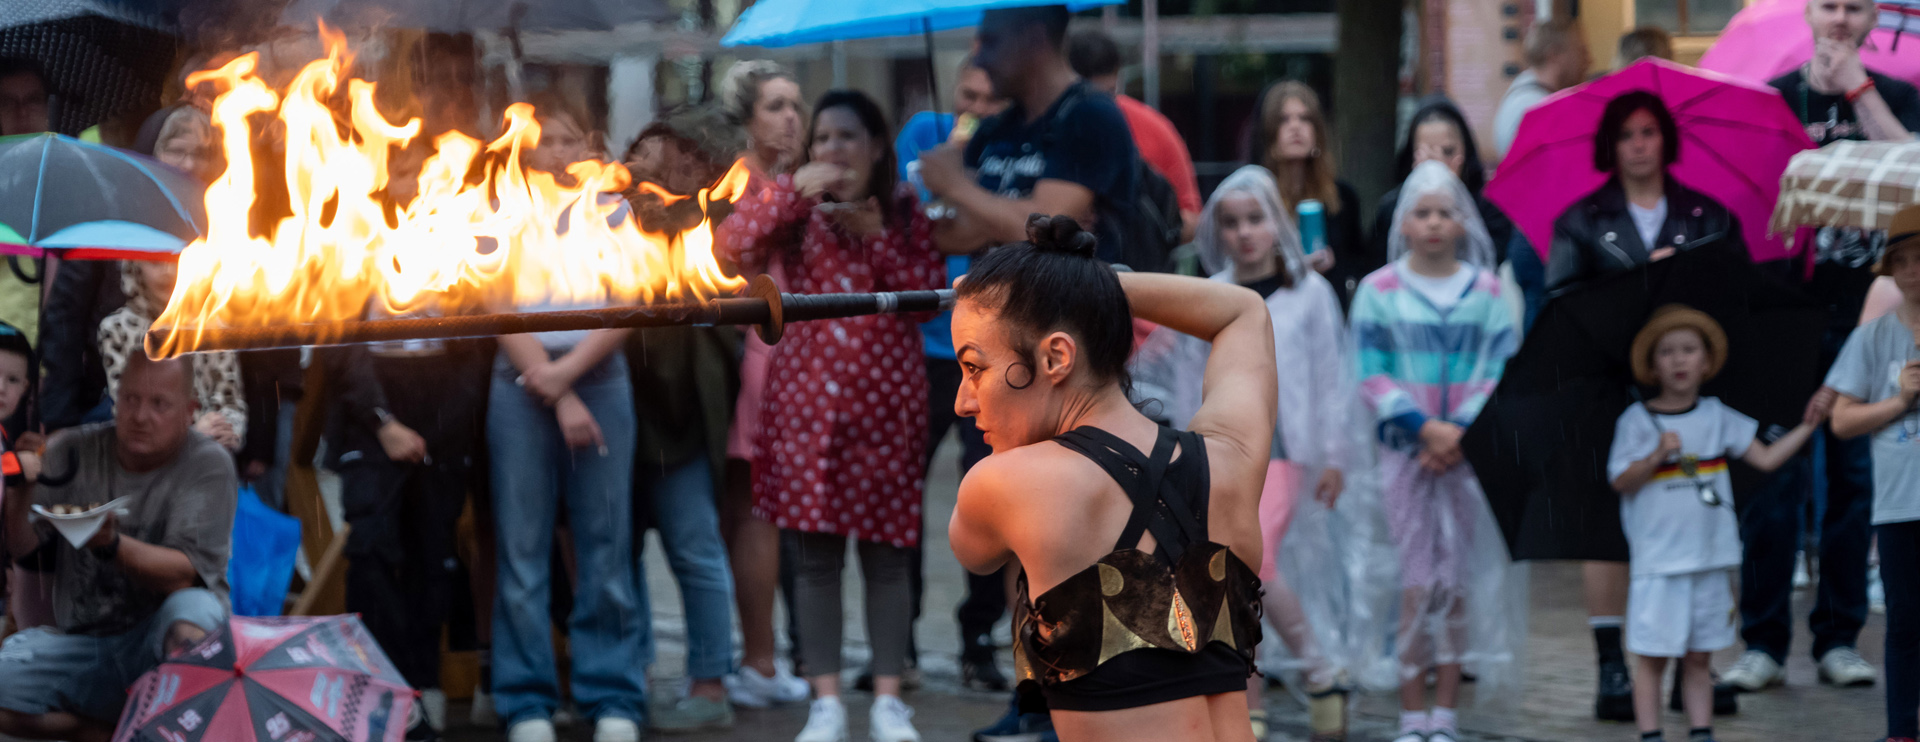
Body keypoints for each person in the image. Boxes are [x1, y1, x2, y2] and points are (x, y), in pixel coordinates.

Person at [946, 214, 1271, 742]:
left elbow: (975, 553)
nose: (963, 400)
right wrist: (1078, 285)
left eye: (975, 367)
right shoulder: (1231, 457)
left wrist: (1065, 285)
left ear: (1056, 356)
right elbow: (1242, 311)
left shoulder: (1003, 484)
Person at [717, 89, 948, 742]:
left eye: (847, 137)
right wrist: (791, 191)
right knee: (814, 556)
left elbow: (929, 300)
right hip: (805, 411)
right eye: (821, 139)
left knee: (888, 554)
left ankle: (886, 699)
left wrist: (878, 240)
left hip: (888, 408)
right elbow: (730, 247)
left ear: (877, 147)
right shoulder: (793, 210)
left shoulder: (905, 213)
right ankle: (824, 702)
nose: (832, 150)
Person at [1721, 0, 1920, 696]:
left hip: (1865, 312)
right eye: (1829, 5)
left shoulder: (1895, 95)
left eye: (1854, 8)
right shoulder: (1776, 99)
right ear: (1809, 14)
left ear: (1872, 21)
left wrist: (1860, 88)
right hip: (1783, 315)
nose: (1839, 19)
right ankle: (1764, 643)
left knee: (1854, 481)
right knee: (1775, 484)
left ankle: (1838, 636)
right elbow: (1747, 197)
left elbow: (1913, 168)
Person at [488, 101, 646, 742]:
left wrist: (570, 377)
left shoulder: (612, 208)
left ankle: (613, 695)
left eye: (564, 139)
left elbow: (629, 301)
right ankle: (526, 700)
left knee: (606, 543)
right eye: (542, 141)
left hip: (598, 375)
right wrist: (551, 388)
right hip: (522, 376)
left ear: (586, 145)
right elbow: (495, 303)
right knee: (521, 547)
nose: (553, 151)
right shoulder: (502, 207)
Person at [1352, 161, 1523, 742]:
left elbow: (1501, 368)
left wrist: (1459, 433)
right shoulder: (1378, 292)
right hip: (1405, 453)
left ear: (1462, 221)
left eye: (1444, 212)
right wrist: (1424, 429)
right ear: (1403, 221)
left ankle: (1445, 713)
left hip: (1466, 458)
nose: (1432, 222)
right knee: (1416, 581)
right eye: (1420, 211)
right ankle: (1410, 713)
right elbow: (1370, 373)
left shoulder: (1487, 291)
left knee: (1454, 584)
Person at [1193, 166, 1354, 741]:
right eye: (1231, 223)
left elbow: (1333, 374)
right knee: (1230, 569)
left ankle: (1316, 665)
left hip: (1287, 446)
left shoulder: (1307, 292)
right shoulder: (1213, 291)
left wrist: (1335, 454)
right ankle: (1252, 696)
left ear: (1277, 222)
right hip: (1225, 448)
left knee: (1251, 563)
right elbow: (1192, 368)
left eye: (1256, 219)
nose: (1245, 234)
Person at [1608, 306, 1819, 742]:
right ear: (1651, 365)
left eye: (1689, 350)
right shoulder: (1636, 422)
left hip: (1710, 558)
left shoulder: (1718, 414)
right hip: (1659, 565)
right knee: (1652, 658)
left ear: (1706, 361)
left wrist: (1810, 425)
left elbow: (1765, 457)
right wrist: (1654, 457)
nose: (1679, 360)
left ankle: (1701, 731)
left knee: (1699, 657)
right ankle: (1652, 734)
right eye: (1667, 352)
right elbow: (1621, 481)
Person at [0, 352, 236, 742]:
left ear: (190, 411)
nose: (141, 416)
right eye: (130, 400)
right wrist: (21, 492)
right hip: (85, 641)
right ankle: (108, 732)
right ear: (116, 397)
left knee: (195, 612)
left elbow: (184, 573)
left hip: (158, 639)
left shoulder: (208, 464)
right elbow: (28, 551)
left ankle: (181, 728)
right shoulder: (71, 449)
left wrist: (110, 544)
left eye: (159, 404)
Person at [616, 103, 745, 735]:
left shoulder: (713, 221)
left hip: (683, 417)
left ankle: (710, 680)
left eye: (658, 150)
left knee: (695, 549)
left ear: (694, 161)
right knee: (619, 553)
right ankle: (630, 674)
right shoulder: (611, 217)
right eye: (639, 149)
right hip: (617, 409)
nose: (640, 161)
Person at [892, 56, 1012, 693]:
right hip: (919, 349)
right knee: (898, 496)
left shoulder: (1012, 151)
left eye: (990, 101)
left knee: (989, 497)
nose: (977, 108)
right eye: (969, 95)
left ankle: (979, 638)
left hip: (988, 353)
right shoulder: (922, 136)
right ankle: (898, 643)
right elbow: (911, 226)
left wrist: (969, 182)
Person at [321, 307, 489, 741]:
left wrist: (445, 421)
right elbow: (337, 334)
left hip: (445, 393)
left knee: (434, 551)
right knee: (372, 549)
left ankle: (424, 680)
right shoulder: (348, 244)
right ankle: (385, 685)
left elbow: (476, 340)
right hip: (370, 399)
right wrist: (383, 420)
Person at [712, 60, 815, 710]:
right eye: (776, 105)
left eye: (796, 105)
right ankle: (759, 658)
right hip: (754, 359)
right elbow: (728, 251)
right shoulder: (740, 181)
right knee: (753, 510)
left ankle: (773, 655)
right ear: (746, 117)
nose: (791, 118)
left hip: (791, 361)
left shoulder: (791, 180)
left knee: (768, 511)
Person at [919, 5, 1139, 264]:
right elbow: (947, 237)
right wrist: (1019, 218)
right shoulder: (993, 127)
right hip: (994, 301)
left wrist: (956, 185)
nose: (979, 60)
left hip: (1067, 303)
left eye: (991, 42)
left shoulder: (1088, 115)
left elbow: (1046, 237)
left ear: (1034, 38)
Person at [1826, 206, 1920, 742]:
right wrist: (1899, 401)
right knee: (1906, 621)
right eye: (1900, 261)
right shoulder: (1873, 338)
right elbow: (1841, 419)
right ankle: (1901, 731)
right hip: (1900, 504)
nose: (1912, 271)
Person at [1547, 91, 1745, 295]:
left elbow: (1738, 289)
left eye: (1648, 132)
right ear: (1610, 144)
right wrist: (1642, 281)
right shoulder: (1578, 223)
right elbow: (1564, 301)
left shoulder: (1711, 218)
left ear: (1665, 137)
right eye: (1625, 135)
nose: (1639, 146)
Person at [98, 260, 247, 453]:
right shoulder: (117, 328)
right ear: (136, 265)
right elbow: (125, 408)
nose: (168, 271)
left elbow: (230, 399)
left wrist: (229, 431)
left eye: (178, 261)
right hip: (147, 458)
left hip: (210, 453)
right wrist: (193, 433)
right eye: (156, 262)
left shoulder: (213, 326)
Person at [1068, 29, 1202, 243]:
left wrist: (1135, 223)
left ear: (1118, 77)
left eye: (1107, 95)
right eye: (1085, 99)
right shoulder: (1042, 129)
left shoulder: (1154, 129)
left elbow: (1191, 222)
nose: (1098, 110)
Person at [1368, 99, 1514, 286]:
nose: (1438, 161)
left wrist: (1453, 198)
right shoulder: (1390, 209)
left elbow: (1491, 261)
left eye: (1447, 151)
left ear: (1464, 152)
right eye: (1426, 153)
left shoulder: (1490, 206)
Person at [1253, 81, 1357, 303]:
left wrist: (1334, 265)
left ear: (1317, 131)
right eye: (1284, 120)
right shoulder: (1254, 199)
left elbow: (1358, 267)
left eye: (1305, 118)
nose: (1295, 127)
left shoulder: (1342, 197)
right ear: (1268, 132)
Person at [1493, 18, 1590, 159]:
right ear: (1554, 56)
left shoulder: (1522, 94)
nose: (1588, 60)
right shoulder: (1537, 109)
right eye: (1581, 51)